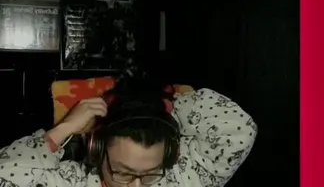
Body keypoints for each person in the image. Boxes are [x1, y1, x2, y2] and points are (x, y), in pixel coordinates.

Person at [0, 75, 257, 186]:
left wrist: (163, 106)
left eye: (150, 175)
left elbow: (239, 129)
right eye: (122, 173)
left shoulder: (186, 175)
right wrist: (63, 129)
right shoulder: (72, 181)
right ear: (97, 149)